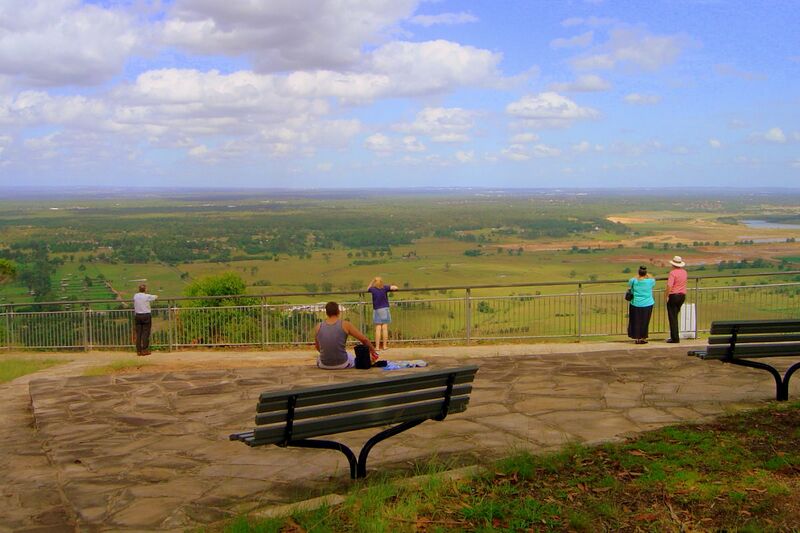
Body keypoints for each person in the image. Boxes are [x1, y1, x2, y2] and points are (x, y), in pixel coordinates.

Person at [315, 301, 379, 369]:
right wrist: (373, 352)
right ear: (338, 311)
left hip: (324, 365)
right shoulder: (345, 324)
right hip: (342, 364)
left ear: (326, 313)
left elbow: (318, 347)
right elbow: (364, 340)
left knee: (319, 358)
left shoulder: (318, 326)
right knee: (351, 356)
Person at [367, 277, 398, 351]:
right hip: (384, 309)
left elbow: (368, 288)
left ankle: (377, 347)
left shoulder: (373, 289)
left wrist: (372, 281)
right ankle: (384, 346)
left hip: (376, 309)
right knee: (384, 328)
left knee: (378, 328)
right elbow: (395, 287)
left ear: (375, 282)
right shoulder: (385, 288)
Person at [627, 266, 655, 344]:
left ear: (638, 273)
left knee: (636, 321)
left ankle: (637, 338)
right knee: (645, 321)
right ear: (646, 273)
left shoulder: (633, 281)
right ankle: (643, 338)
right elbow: (653, 279)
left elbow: (630, 283)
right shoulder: (650, 281)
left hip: (635, 303)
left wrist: (638, 276)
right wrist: (647, 274)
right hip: (648, 303)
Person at [665, 255, 688, 343]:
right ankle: (675, 336)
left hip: (674, 295)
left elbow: (669, 285)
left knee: (672, 317)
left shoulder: (673, 273)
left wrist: (666, 296)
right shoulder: (684, 272)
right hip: (682, 296)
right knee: (675, 315)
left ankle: (675, 338)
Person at [133, 284, 158, 356]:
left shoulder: (135, 296)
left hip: (138, 315)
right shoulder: (147, 296)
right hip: (146, 315)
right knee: (145, 333)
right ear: (145, 289)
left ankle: (138, 351)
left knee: (139, 333)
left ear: (139, 289)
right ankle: (145, 350)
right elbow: (155, 297)